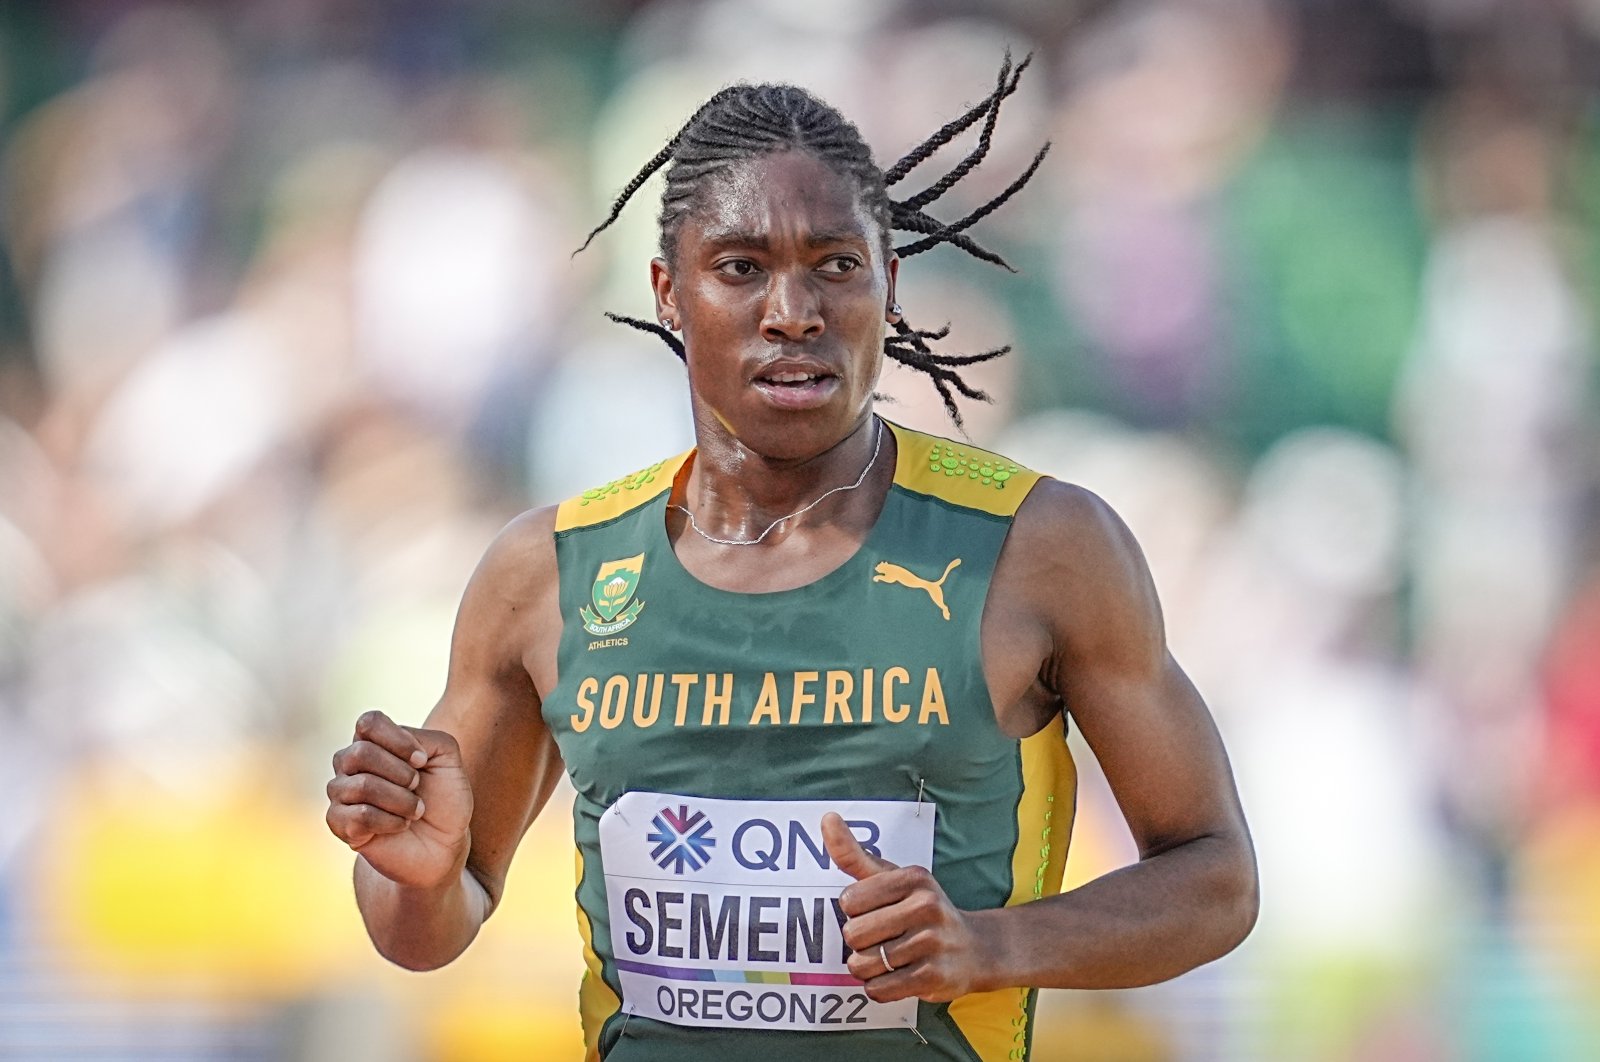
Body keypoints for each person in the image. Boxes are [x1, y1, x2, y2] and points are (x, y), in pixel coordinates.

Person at [325, 55, 1257, 1061]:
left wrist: (990, 945)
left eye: (835, 264)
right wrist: (415, 876)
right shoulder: (548, 575)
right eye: (740, 268)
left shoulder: (1043, 549)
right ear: (667, 292)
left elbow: (1214, 878)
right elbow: (428, 932)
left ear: (888, 285)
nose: (793, 311)